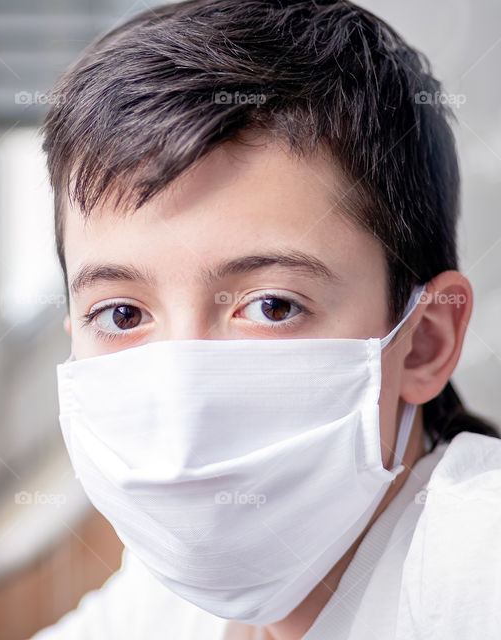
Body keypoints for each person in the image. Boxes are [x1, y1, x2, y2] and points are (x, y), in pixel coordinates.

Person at [31, 1, 501, 638]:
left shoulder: (480, 567)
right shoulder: (165, 600)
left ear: (423, 342)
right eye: (122, 313)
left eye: (272, 306)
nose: (184, 403)